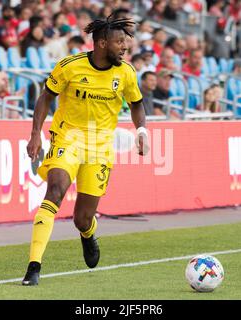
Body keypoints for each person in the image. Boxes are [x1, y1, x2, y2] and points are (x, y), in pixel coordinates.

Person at [22, 15, 149, 286]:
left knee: (82, 218)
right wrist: (35, 134)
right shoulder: (70, 66)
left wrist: (141, 131)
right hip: (68, 138)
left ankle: (88, 233)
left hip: (100, 147)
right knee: (54, 191)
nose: (124, 48)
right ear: (102, 43)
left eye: (126, 43)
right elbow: (45, 97)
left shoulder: (125, 72)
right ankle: (34, 266)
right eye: (119, 43)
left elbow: (136, 104)